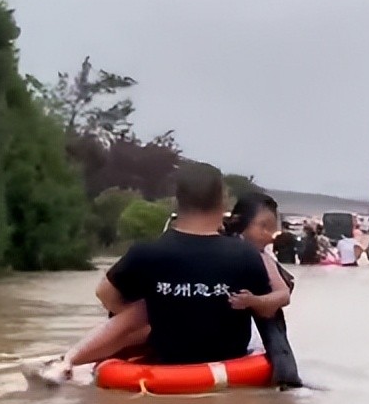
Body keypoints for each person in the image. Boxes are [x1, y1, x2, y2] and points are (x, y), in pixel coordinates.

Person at [37, 162, 273, 378]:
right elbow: (266, 311)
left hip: (167, 359)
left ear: (177, 200)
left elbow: (105, 294)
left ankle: (65, 362)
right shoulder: (246, 255)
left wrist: (154, 312)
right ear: (223, 201)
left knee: (145, 306)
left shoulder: (147, 252)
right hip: (228, 365)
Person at [224, 192, 302, 387]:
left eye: (272, 229)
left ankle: (286, 375)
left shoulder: (262, 257)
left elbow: (283, 295)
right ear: (241, 223)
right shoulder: (220, 246)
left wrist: (254, 301)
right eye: (263, 226)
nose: (268, 235)